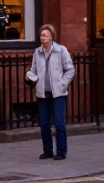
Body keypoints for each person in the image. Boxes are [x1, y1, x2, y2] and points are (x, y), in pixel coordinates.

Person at [28, 24, 74, 160]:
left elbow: (70, 70)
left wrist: (63, 84)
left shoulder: (61, 51)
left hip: (58, 94)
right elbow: (34, 70)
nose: (43, 37)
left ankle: (61, 151)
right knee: (44, 124)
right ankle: (47, 151)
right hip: (42, 93)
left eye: (46, 35)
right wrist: (29, 76)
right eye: (42, 35)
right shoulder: (37, 52)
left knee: (59, 123)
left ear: (52, 37)